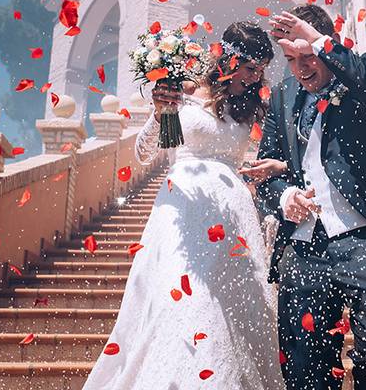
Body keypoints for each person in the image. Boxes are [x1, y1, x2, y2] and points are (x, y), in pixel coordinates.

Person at [241, 5, 366, 390]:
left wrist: (320, 42)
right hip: (303, 251)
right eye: (291, 59)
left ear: (326, 43)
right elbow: (268, 170)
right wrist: (284, 196)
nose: (300, 69)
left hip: (365, 240)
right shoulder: (283, 96)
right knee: (303, 366)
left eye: (308, 56)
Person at [82, 21, 285, 390]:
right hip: (185, 206)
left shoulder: (250, 106)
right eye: (251, 68)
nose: (255, 78)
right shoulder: (185, 91)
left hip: (234, 210)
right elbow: (149, 153)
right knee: (188, 295)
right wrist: (161, 113)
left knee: (237, 304)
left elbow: (253, 153)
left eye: (260, 71)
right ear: (228, 58)